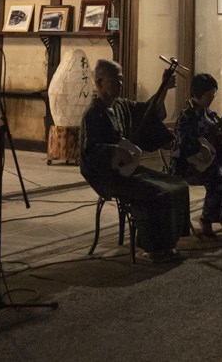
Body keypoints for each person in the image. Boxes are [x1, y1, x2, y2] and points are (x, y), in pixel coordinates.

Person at [79, 59, 191, 262]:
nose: (120, 84)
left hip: (128, 170)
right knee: (156, 193)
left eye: (121, 79)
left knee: (178, 185)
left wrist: (164, 88)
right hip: (108, 175)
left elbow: (147, 112)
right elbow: (89, 151)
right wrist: (113, 151)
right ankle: (150, 248)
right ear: (100, 82)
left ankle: (167, 244)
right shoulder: (93, 114)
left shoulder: (122, 105)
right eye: (115, 80)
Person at [174, 73, 222, 238]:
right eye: (208, 95)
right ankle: (206, 220)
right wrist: (204, 143)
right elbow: (184, 145)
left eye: (213, 94)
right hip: (190, 164)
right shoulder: (186, 116)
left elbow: (220, 147)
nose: (212, 98)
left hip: (212, 161)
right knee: (220, 179)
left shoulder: (210, 114)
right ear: (197, 94)